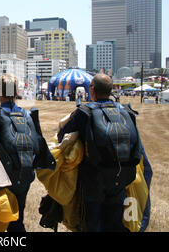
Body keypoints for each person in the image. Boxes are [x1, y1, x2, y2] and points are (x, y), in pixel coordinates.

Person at [57, 74, 142, 232]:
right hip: (122, 177)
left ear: (92, 90)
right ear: (111, 90)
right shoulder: (127, 111)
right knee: (115, 222)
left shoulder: (84, 112)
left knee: (92, 223)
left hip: (93, 179)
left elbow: (62, 136)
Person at [0, 74, 55, 232]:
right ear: (16, 92)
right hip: (24, 175)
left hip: (0, 179)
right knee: (17, 220)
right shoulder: (27, 115)